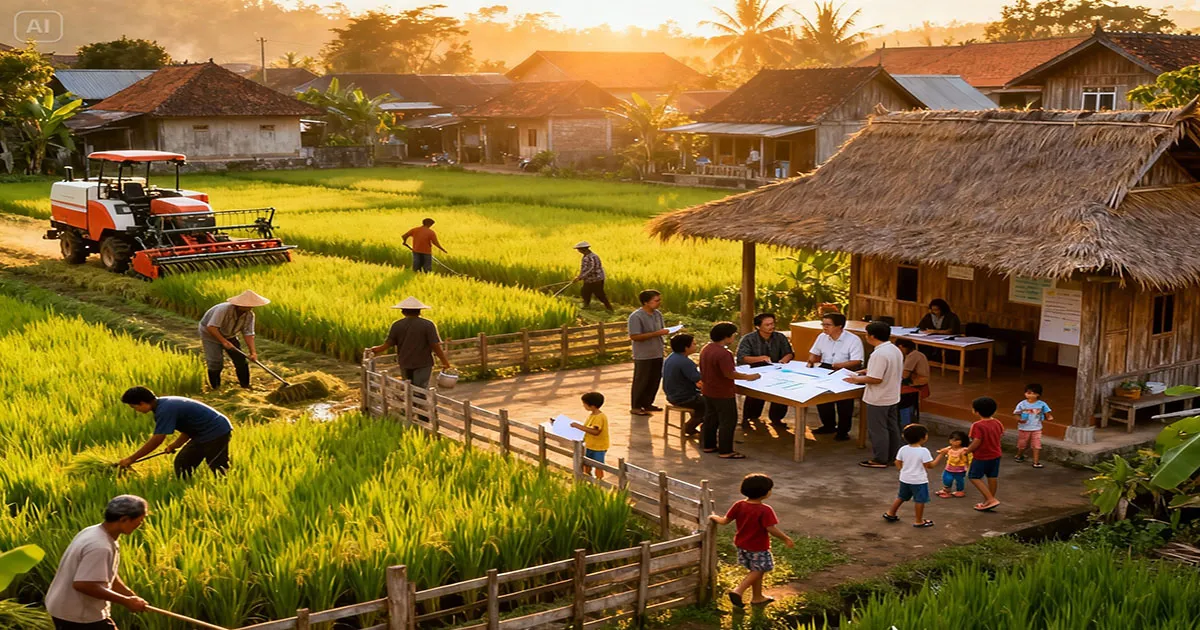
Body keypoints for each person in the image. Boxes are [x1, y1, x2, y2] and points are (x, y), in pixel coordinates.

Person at [45, 495, 150, 630]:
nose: (140, 525)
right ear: (124, 519)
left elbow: (107, 574)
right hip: (79, 614)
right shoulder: (100, 546)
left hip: (65, 607)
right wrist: (126, 602)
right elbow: (83, 584)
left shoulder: (94, 532)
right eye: (139, 521)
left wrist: (130, 595)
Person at [709, 474, 794, 608]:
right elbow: (770, 528)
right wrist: (786, 538)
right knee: (760, 570)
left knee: (756, 569)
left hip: (742, 545)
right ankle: (738, 591)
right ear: (765, 493)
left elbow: (725, 521)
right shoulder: (765, 510)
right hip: (758, 547)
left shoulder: (739, 505)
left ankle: (757, 597)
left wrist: (713, 517)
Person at [119, 387, 233, 478]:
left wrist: (131, 459)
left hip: (217, 431)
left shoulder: (165, 410)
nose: (136, 410)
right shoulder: (163, 405)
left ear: (142, 403)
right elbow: (188, 429)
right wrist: (175, 445)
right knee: (183, 464)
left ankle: (226, 488)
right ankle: (185, 486)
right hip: (202, 433)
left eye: (134, 407)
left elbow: (157, 440)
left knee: (217, 466)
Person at [845, 321, 904, 468]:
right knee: (892, 428)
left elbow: (876, 378)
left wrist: (855, 379)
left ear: (872, 336)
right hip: (892, 395)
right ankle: (893, 456)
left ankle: (880, 459)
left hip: (879, 397)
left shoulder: (879, 353)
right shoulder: (894, 349)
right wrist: (867, 370)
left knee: (878, 430)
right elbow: (887, 369)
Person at [700, 322, 761, 459]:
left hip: (708, 389)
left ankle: (708, 445)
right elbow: (729, 374)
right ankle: (726, 450)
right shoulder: (724, 353)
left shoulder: (706, 348)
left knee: (711, 418)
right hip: (722, 392)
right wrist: (748, 377)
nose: (734, 337)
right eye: (733, 334)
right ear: (726, 337)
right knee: (728, 421)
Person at [369, 296, 452, 389]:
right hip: (423, 363)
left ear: (403, 312)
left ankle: (412, 403)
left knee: (409, 388)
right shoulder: (428, 325)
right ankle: (419, 403)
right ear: (420, 311)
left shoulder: (397, 325)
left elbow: (388, 344)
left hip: (405, 362)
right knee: (420, 389)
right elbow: (435, 345)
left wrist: (375, 349)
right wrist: (445, 362)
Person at [808, 313, 864, 440]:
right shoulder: (822, 337)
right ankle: (828, 425)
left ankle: (843, 431)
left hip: (845, 371)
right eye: (823, 324)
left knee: (844, 403)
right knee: (822, 399)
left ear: (839, 326)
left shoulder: (853, 339)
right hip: (824, 369)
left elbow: (857, 361)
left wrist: (837, 366)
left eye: (828, 325)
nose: (824, 327)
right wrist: (811, 360)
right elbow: (814, 353)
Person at [198, 290, 268, 390]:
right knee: (215, 362)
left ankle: (245, 385)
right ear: (240, 304)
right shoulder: (223, 310)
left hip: (230, 334)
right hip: (210, 334)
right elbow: (211, 327)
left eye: (252, 305)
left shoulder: (249, 315)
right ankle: (216, 388)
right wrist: (224, 341)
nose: (251, 307)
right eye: (248, 305)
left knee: (240, 360)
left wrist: (253, 352)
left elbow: (248, 333)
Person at [737, 313, 794, 429]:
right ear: (758, 327)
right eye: (767, 324)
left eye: (772, 323)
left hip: (777, 370)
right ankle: (748, 418)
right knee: (754, 395)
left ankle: (776, 419)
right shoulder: (748, 339)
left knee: (781, 393)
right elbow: (742, 357)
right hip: (755, 371)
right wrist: (761, 358)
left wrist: (784, 360)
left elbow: (789, 353)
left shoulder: (780, 337)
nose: (771, 327)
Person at [882, 424, 943, 528]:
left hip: (905, 478)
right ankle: (919, 521)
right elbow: (930, 465)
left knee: (901, 496)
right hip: (918, 480)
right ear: (923, 438)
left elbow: (897, 462)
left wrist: (903, 471)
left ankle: (890, 513)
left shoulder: (903, 449)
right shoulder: (924, 451)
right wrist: (941, 455)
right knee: (920, 500)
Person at [628, 290, 670, 416]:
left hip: (657, 351)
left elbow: (661, 330)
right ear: (646, 302)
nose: (659, 303)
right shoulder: (636, 316)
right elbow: (634, 336)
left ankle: (647, 403)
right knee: (642, 380)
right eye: (656, 301)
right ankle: (636, 406)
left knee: (654, 379)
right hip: (643, 354)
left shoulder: (658, 314)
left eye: (659, 300)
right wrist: (656, 334)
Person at [965, 396, 1004, 511]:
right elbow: (1000, 435)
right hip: (996, 454)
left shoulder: (977, 425)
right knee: (992, 476)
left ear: (976, 411)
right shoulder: (997, 422)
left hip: (982, 456)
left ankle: (990, 499)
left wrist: (967, 451)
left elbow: (977, 441)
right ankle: (989, 500)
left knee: (973, 476)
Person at [662, 333, 705, 437]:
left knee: (703, 402)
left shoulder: (670, 358)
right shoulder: (685, 362)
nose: (696, 346)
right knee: (713, 404)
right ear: (686, 347)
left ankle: (694, 425)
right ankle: (690, 427)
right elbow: (698, 378)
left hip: (671, 395)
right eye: (694, 344)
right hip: (684, 397)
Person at [571, 392, 609, 480]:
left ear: (592, 406)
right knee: (587, 463)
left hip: (598, 446)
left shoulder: (599, 417)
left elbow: (596, 431)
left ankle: (599, 481)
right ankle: (587, 478)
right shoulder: (592, 415)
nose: (583, 406)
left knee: (598, 465)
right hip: (590, 445)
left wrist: (579, 426)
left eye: (584, 404)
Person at [1013, 383, 1052, 468]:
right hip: (1024, 428)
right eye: (1028, 393)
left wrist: (1049, 416)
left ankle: (1036, 462)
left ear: (1038, 394)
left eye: (1033, 393)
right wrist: (1019, 419)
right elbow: (1016, 414)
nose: (1030, 395)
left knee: (1036, 444)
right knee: (1022, 444)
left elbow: (1047, 412)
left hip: (1037, 428)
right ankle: (1019, 455)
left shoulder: (1042, 404)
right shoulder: (1022, 404)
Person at [896, 338, 931, 427]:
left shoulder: (912, 356)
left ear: (901, 347)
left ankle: (905, 423)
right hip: (915, 382)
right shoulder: (917, 354)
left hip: (915, 383)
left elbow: (904, 375)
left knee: (901, 397)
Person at [573, 241, 613, 312]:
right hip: (589, 279)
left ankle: (609, 308)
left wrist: (580, 277)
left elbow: (591, 269)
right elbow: (585, 268)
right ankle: (586, 305)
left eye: (579, 249)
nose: (578, 251)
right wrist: (579, 276)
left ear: (584, 249)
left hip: (596, 279)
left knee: (599, 294)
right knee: (585, 292)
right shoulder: (586, 256)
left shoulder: (591, 257)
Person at [936, 431, 972, 498]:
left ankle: (960, 491)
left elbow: (970, 458)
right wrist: (940, 452)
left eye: (957, 440)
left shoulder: (964, 450)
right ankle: (946, 490)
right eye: (952, 439)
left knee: (960, 480)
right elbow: (943, 451)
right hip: (948, 468)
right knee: (946, 479)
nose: (953, 441)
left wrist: (969, 466)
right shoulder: (949, 448)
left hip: (960, 469)